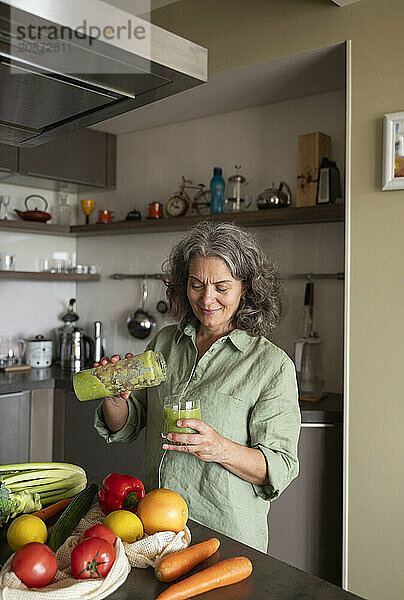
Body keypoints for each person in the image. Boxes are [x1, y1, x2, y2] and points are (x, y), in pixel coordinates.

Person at [94, 221, 301, 552]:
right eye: (196, 285)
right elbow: (128, 424)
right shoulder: (164, 343)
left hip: (225, 539)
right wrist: (115, 400)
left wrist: (219, 448)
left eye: (221, 287)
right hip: (153, 531)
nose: (207, 299)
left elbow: (280, 467)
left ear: (245, 287)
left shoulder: (271, 366)